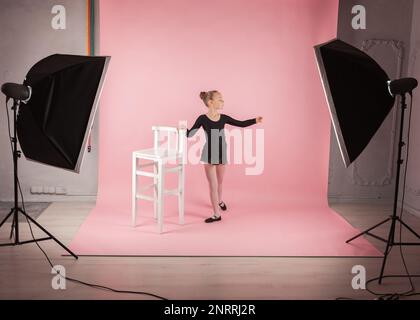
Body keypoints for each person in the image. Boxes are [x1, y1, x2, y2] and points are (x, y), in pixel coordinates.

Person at [179, 90, 263, 223]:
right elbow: (190, 134)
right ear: (211, 102)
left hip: (222, 153)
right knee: (213, 184)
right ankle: (216, 214)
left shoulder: (223, 117)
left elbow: (240, 123)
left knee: (220, 182)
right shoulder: (202, 118)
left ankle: (219, 201)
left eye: (222, 99)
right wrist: (183, 128)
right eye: (220, 99)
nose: (223, 101)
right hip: (209, 154)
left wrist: (255, 120)